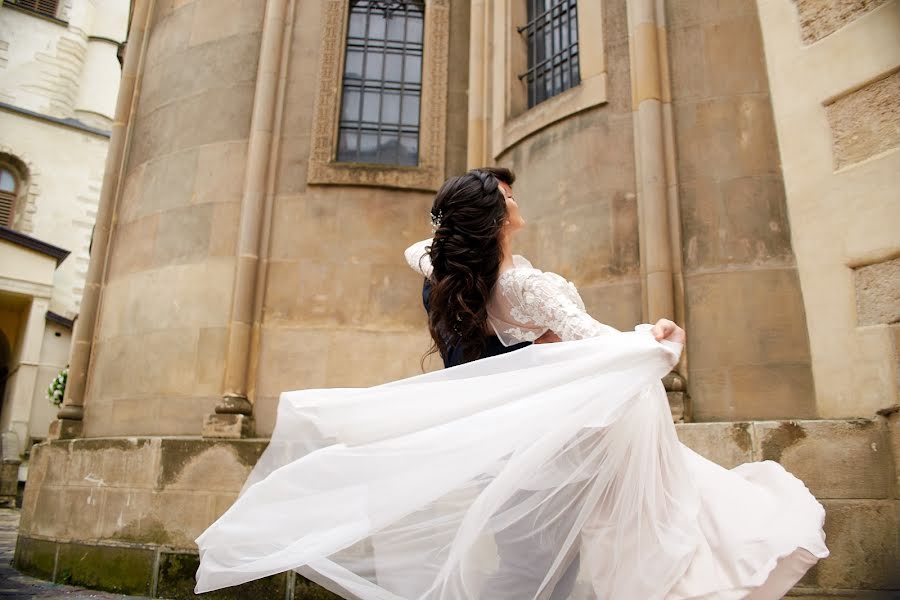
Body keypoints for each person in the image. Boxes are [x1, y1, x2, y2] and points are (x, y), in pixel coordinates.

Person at [195, 169, 828, 599]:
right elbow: (597, 341)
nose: (513, 195)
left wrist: (459, 223)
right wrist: (657, 337)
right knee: (574, 554)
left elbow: (423, 247)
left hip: (517, 444)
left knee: (532, 556)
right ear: (499, 215)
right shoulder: (526, 286)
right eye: (502, 193)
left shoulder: (452, 276)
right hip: (567, 446)